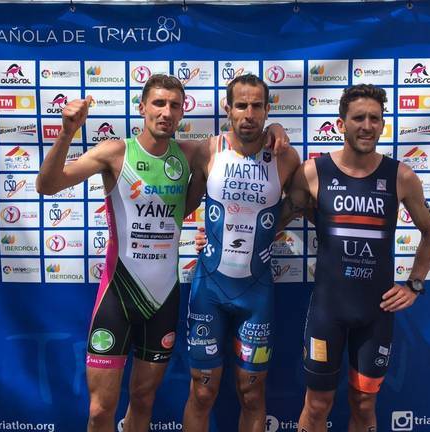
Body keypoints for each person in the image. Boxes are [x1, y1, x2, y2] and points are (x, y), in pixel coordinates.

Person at [36, 74, 289, 432]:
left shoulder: (193, 153)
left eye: (174, 105)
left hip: (163, 300)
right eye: (158, 103)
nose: (166, 112)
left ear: (183, 111)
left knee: (143, 400)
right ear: (142, 107)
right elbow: (47, 185)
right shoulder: (115, 152)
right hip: (116, 297)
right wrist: (66, 133)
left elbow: (245, 141)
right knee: (99, 410)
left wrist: (275, 128)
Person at [280, 84, 430, 432]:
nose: (367, 126)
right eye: (358, 118)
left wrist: (414, 284)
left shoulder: (401, 176)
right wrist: (215, 236)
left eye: (375, 118)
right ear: (341, 124)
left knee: (365, 403)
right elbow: (273, 221)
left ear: (382, 124)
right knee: (317, 404)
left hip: (375, 314)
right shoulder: (313, 172)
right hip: (327, 313)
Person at [182, 74, 301, 432]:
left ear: (267, 110)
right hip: (209, 291)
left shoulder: (285, 156)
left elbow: (297, 204)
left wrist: (266, 229)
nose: (249, 114)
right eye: (241, 105)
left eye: (256, 106)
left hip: (256, 295)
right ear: (228, 109)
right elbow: (182, 205)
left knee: (251, 393)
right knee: (202, 392)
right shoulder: (207, 150)